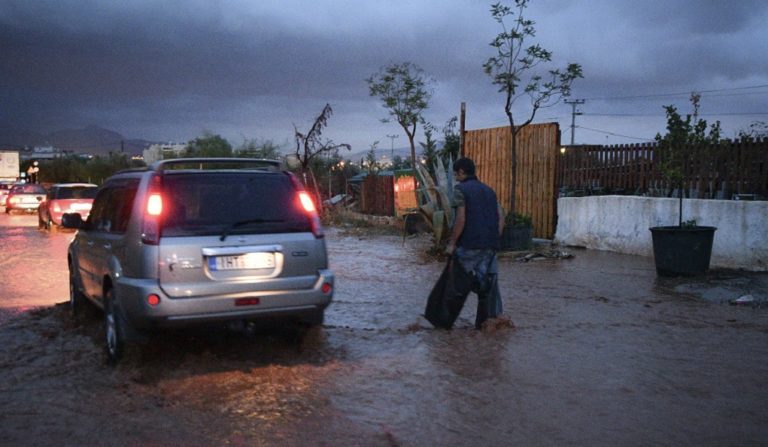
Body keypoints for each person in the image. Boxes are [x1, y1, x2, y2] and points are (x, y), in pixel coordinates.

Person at [444, 157, 505, 328]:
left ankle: (444, 325)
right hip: (491, 246)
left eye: (456, 174)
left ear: (462, 172)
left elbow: (461, 219)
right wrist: (493, 240)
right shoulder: (489, 191)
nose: (455, 177)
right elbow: (501, 218)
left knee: (457, 283)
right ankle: (488, 324)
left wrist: (452, 244)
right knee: (489, 285)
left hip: (470, 245)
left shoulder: (460, 190)